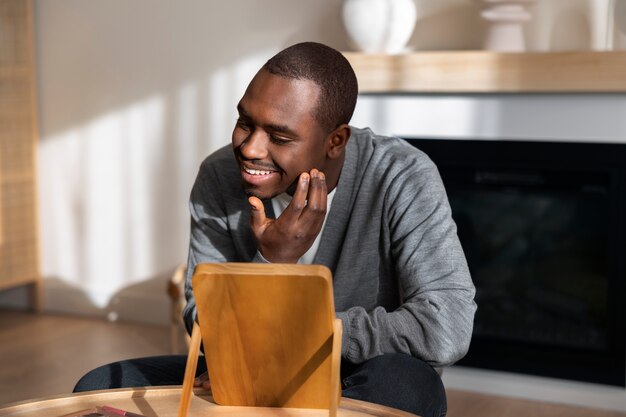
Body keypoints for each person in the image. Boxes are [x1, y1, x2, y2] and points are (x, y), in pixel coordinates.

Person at [74, 42, 476, 417]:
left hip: (355, 372)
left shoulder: (401, 175)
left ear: (335, 141)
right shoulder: (219, 177)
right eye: (244, 123)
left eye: (279, 137)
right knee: (98, 386)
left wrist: (301, 339)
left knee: (410, 386)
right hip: (242, 367)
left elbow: (447, 328)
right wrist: (272, 258)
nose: (250, 149)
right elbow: (203, 320)